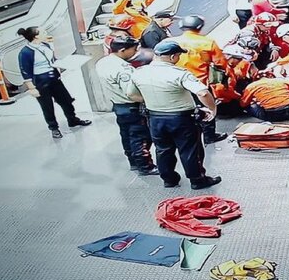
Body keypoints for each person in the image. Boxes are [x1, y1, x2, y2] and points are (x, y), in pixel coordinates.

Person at [132, 41, 222, 190]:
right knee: (190, 150)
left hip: (154, 118)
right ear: (173, 56)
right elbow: (203, 92)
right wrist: (212, 109)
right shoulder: (180, 74)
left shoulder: (139, 72)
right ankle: (197, 179)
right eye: (179, 55)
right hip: (181, 118)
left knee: (163, 149)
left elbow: (131, 94)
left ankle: (169, 179)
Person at [95, 36, 158, 175]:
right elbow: (131, 93)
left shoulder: (102, 62)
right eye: (133, 50)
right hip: (132, 107)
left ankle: (133, 162)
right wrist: (149, 101)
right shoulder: (123, 69)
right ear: (122, 50)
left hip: (118, 106)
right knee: (140, 137)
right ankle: (145, 166)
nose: (136, 52)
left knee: (126, 135)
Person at [17, 27, 91, 138]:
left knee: (66, 100)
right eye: (42, 32)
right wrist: (32, 88)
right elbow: (25, 71)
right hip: (41, 81)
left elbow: (52, 60)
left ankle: (73, 119)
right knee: (47, 106)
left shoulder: (45, 45)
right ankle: (54, 128)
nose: (45, 33)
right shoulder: (25, 52)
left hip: (54, 78)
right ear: (36, 36)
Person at [170, 15, 228, 144]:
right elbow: (221, 63)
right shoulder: (208, 42)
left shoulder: (172, 41)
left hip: (175, 82)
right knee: (207, 106)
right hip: (199, 82)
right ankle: (209, 135)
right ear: (199, 27)